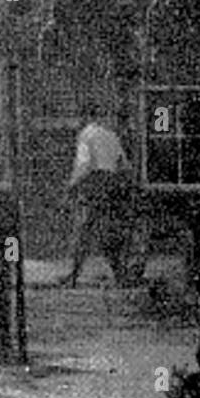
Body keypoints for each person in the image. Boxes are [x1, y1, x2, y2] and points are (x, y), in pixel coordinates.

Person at [62, 116, 135, 287]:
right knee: (107, 230)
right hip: (112, 183)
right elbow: (123, 164)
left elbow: (83, 164)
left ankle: (73, 275)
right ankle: (119, 275)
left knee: (84, 230)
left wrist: (71, 186)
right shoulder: (111, 135)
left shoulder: (86, 135)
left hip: (94, 183)